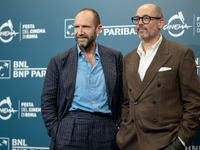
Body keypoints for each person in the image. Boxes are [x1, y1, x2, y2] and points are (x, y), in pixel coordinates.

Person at [116, 3, 200, 150]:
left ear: (161, 22)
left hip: (165, 141)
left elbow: (193, 103)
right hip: (130, 142)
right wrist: (124, 129)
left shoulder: (181, 53)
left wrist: (180, 141)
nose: (140, 23)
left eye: (146, 18)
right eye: (137, 19)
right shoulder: (128, 58)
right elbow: (126, 101)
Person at [41, 8, 123, 150]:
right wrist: (57, 132)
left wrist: (119, 128)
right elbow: (47, 100)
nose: (79, 32)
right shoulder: (59, 61)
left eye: (85, 27)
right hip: (70, 129)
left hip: (106, 130)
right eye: (76, 27)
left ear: (98, 29)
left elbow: (123, 97)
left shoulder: (115, 57)